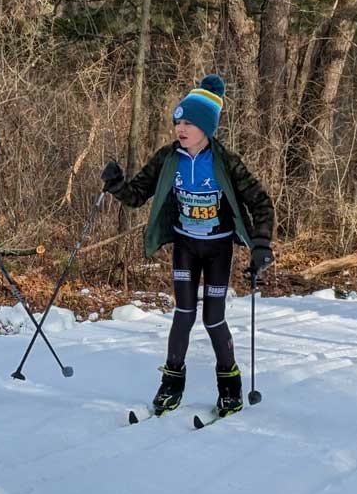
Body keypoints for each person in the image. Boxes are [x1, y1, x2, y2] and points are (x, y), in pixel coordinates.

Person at [101, 75, 274, 417]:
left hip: (218, 249)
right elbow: (136, 195)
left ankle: (230, 388)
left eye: (188, 123)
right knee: (183, 314)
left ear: (206, 127)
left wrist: (261, 244)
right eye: (178, 122)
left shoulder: (224, 161)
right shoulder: (169, 158)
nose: (180, 128)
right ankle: (171, 385)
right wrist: (117, 184)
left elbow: (260, 201)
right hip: (185, 246)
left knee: (213, 319)